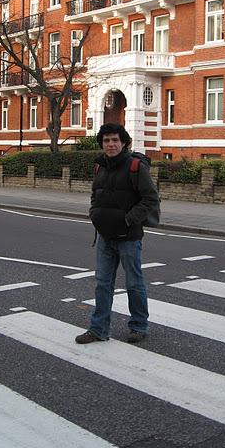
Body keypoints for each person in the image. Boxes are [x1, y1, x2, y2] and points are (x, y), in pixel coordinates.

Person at [75, 123, 160, 345]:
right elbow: (95, 193)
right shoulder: (99, 167)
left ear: (123, 142)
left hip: (128, 237)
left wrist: (128, 219)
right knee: (102, 283)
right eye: (106, 140)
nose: (110, 144)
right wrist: (94, 213)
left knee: (133, 283)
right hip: (105, 236)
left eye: (114, 140)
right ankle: (98, 329)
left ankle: (138, 326)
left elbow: (151, 199)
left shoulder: (134, 166)